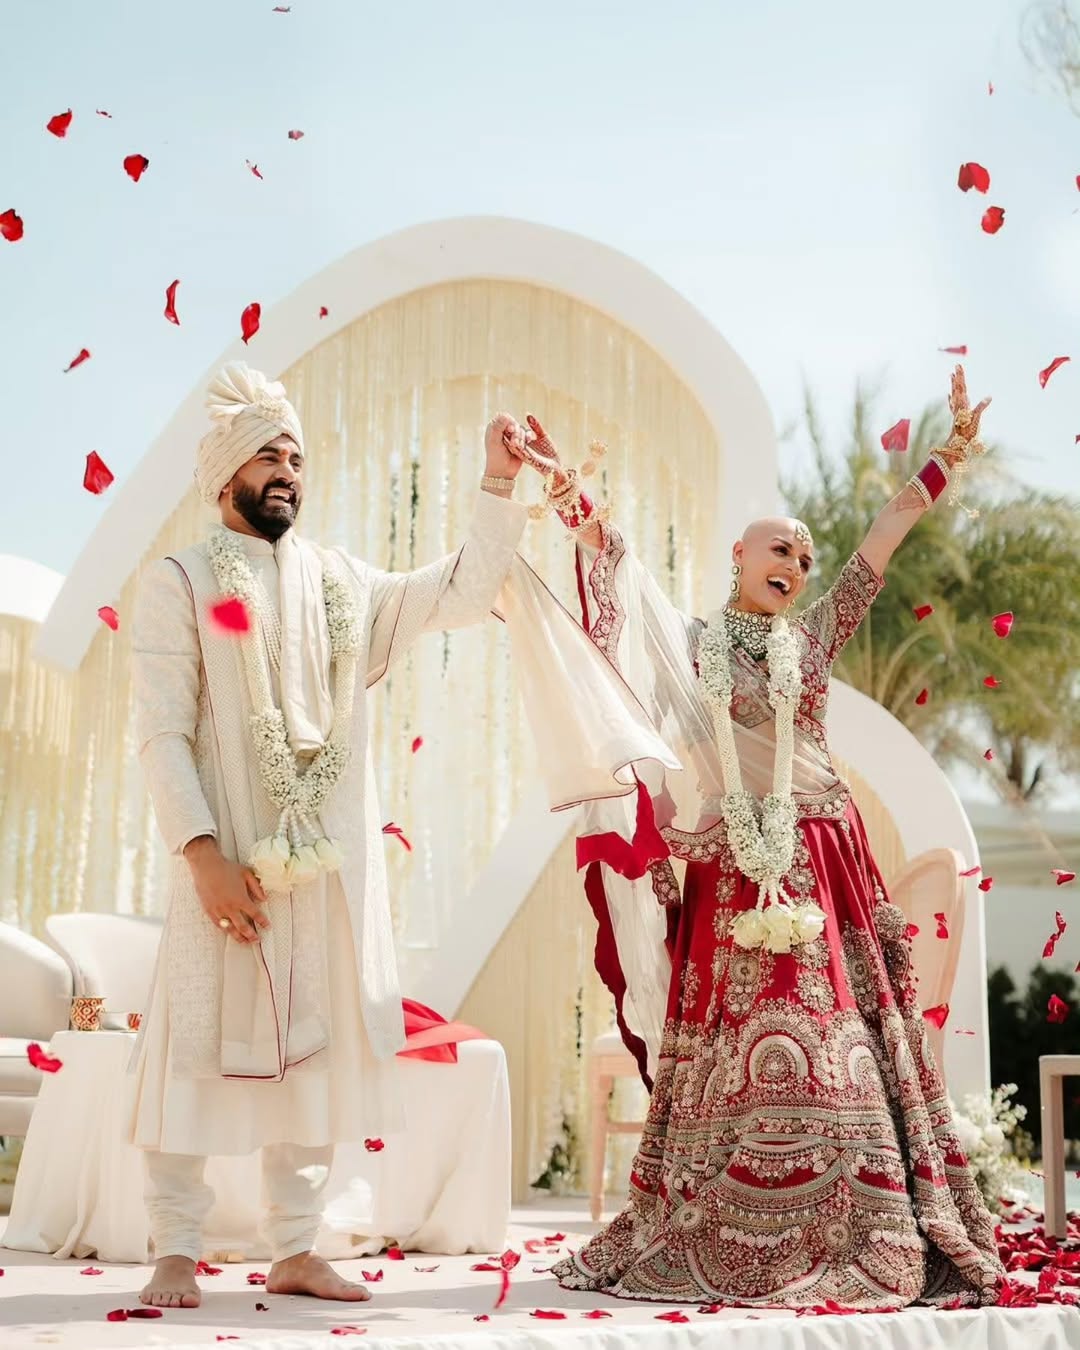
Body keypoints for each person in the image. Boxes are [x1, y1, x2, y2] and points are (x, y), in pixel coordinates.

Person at [496, 367, 1006, 1308]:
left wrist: (943, 461)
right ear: (740, 554)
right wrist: (564, 485)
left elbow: (881, 545)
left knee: (830, 1031)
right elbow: (617, 565)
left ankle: (849, 1218)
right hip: (734, 868)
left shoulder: (813, 639)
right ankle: (730, 1217)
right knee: (738, 1041)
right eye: (782, 549)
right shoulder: (691, 645)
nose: (799, 564)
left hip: (822, 861)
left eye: (807, 559)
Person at [130, 362, 528, 1308]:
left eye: (297, 457)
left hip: (322, 872)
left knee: (310, 1057)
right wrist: (204, 859)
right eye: (266, 453)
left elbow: (460, 592)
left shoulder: (341, 584)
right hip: (226, 864)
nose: (286, 471)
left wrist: (498, 484)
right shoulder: (183, 583)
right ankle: (175, 1246)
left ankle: (297, 1248)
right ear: (224, 473)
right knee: (196, 1039)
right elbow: (161, 730)